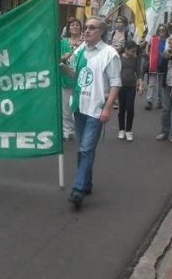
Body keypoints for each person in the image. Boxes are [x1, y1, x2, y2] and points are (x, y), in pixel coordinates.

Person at [61, 16, 121, 209]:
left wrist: (107, 108)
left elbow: (115, 83)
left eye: (91, 28)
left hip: (96, 109)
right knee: (83, 149)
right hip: (79, 106)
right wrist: (62, 68)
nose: (86, 31)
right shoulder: (80, 50)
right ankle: (86, 183)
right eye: (85, 27)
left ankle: (78, 190)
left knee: (86, 149)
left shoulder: (109, 53)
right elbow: (77, 76)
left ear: (101, 32)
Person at [59, 17, 82, 141]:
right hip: (66, 79)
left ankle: (75, 129)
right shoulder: (63, 43)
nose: (75, 27)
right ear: (68, 28)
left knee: (78, 106)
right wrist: (64, 57)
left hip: (80, 79)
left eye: (77, 25)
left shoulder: (84, 43)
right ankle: (67, 131)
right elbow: (57, 60)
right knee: (66, 107)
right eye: (72, 25)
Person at [117, 41, 144, 141]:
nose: (134, 53)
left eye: (135, 51)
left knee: (130, 107)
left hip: (131, 87)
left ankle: (129, 130)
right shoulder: (119, 58)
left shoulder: (135, 59)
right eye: (132, 51)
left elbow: (139, 73)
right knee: (122, 108)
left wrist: (140, 85)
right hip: (121, 86)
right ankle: (121, 129)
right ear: (126, 49)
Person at [145, 24, 168, 110]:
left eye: (163, 30)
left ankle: (159, 101)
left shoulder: (168, 41)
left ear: (166, 32)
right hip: (154, 63)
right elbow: (147, 49)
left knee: (160, 85)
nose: (161, 32)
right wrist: (149, 54)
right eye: (160, 30)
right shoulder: (153, 39)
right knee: (151, 84)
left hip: (163, 64)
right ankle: (149, 101)